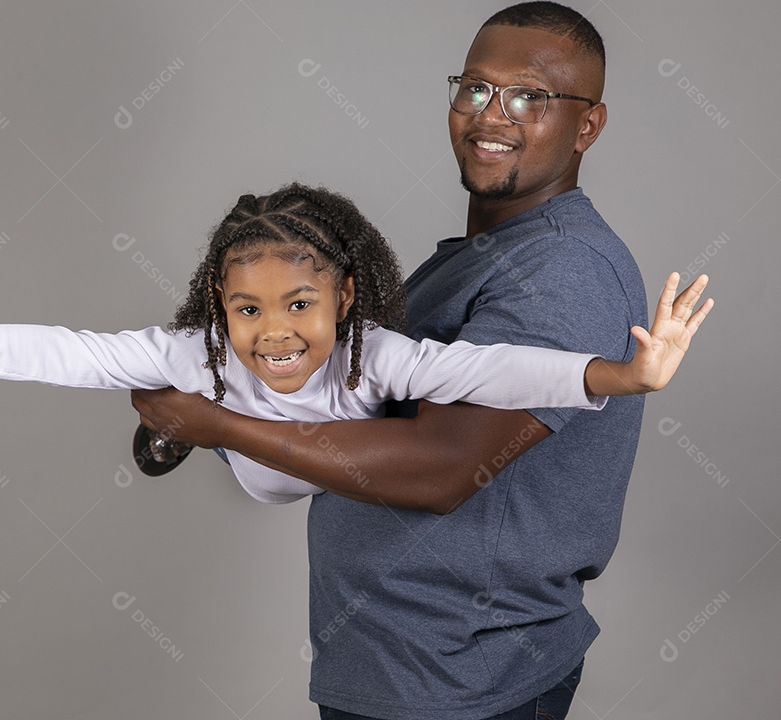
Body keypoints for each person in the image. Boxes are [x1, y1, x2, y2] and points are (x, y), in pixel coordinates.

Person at [128, 3, 708, 719]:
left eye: (530, 96)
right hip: (395, 667)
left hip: (465, 679)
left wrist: (216, 424)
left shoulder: (563, 268)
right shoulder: (466, 265)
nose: (492, 116)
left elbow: (442, 464)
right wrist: (210, 392)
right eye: (475, 89)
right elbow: (344, 416)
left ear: (587, 124)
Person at [0, 182, 706, 507]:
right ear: (219, 306)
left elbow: (492, 367)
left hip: (314, 453)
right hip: (245, 456)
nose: (275, 331)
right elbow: (64, 351)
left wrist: (622, 375)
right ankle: (169, 431)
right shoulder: (195, 354)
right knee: (154, 390)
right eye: (247, 310)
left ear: (346, 297)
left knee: (428, 384)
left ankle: (185, 428)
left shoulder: (376, 351)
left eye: (298, 304)